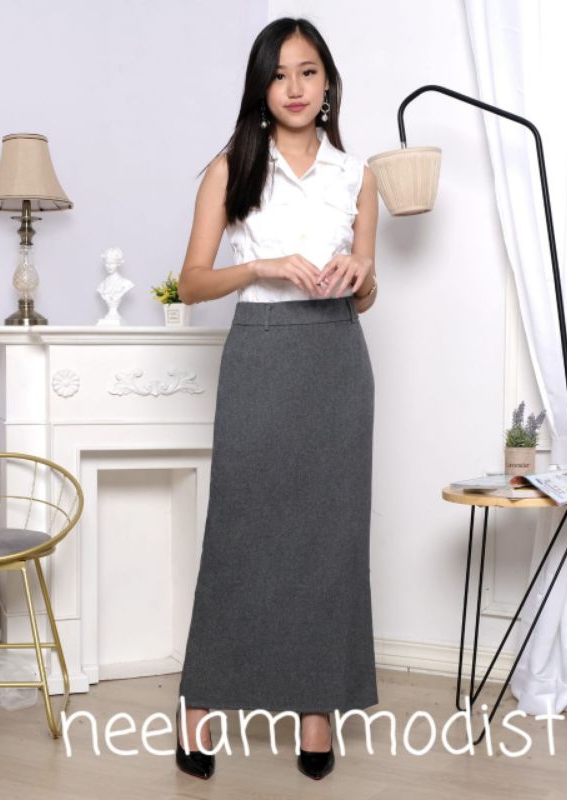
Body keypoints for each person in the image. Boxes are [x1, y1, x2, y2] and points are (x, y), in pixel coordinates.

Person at [174, 17, 379, 781]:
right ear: (262, 86)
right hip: (261, 354)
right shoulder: (231, 167)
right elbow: (192, 283)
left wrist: (361, 276)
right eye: (279, 73)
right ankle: (199, 709)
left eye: (308, 71)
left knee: (331, 539)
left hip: (337, 357)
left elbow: (367, 293)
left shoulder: (358, 175)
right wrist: (266, 267)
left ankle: (316, 714)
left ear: (328, 83)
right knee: (240, 532)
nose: (294, 87)